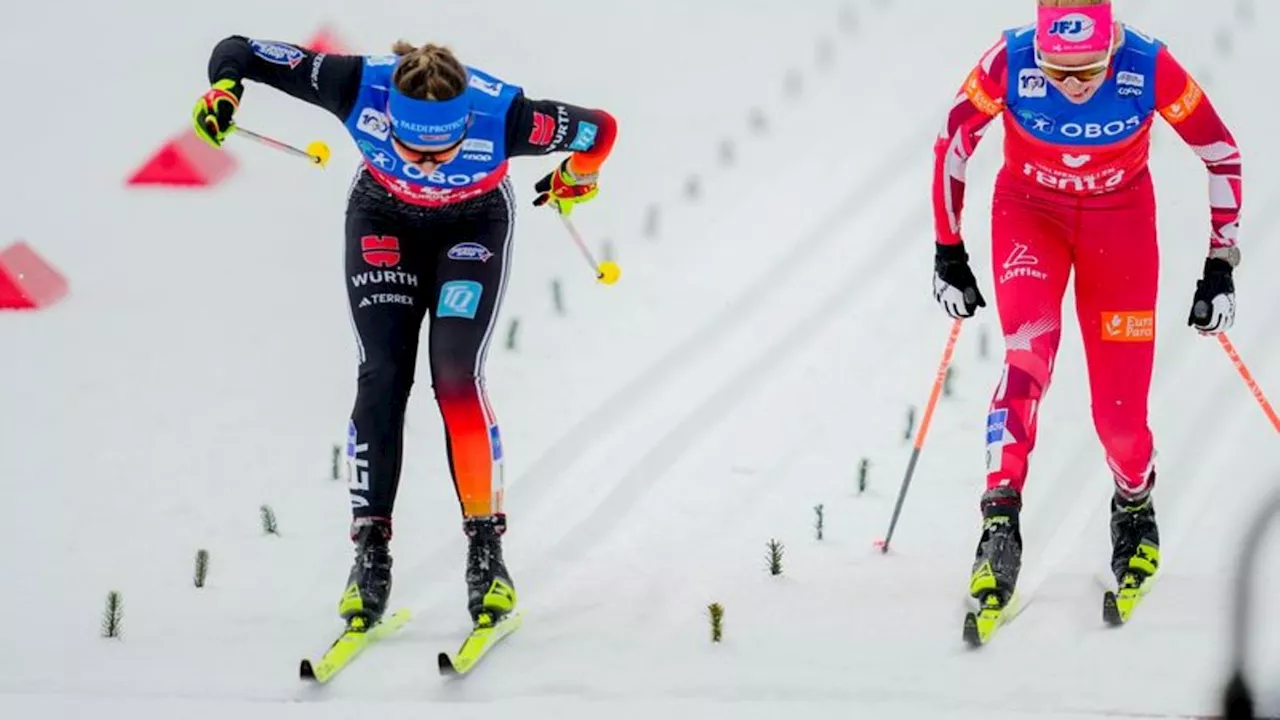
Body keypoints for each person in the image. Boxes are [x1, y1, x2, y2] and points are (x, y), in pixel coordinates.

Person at [192, 36, 617, 632]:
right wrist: (224, 90)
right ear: (386, 117)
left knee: (455, 375)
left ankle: (485, 550)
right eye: (413, 149)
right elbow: (241, 50)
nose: (426, 164)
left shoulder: (508, 116)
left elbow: (599, 129)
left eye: (442, 152)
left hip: (474, 224)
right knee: (383, 375)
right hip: (382, 217)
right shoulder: (352, 83)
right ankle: (369, 552)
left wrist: (576, 174)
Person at [930, 0, 1241, 617]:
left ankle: (1133, 502)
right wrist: (948, 250)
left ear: (1113, 49)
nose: (1072, 88)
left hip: (1119, 229)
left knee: (1120, 420)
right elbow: (953, 143)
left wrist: (1219, 266)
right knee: (1026, 364)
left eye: (1089, 71)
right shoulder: (1008, 58)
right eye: (1056, 72)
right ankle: (999, 520)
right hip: (1030, 217)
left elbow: (1220, 153)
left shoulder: (1151, 66)